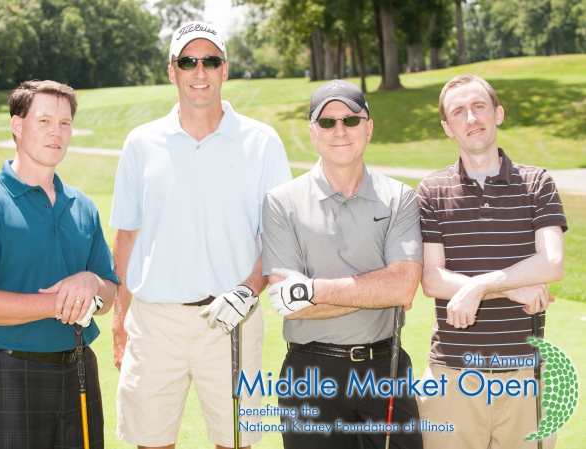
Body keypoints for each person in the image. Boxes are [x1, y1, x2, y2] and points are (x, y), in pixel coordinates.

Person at [110, 21, 291, 449]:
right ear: (172, 71)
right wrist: (120, 322)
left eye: (210, 60)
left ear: (224, 70)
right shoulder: (140, 143)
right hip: (155, 322)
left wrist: (247, 291)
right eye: (188, 61)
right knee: (150, 443)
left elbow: (278, 237)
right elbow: (127, 237)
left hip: (234, 319)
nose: (200, 71)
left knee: (236, 443)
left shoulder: (263, 142)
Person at [0, 80, 119, 449]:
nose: (56, 132)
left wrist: (91, 281)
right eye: (43, 120)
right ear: (17, 125)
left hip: (79, 369)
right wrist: (62, 304)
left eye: (64, 123)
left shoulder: (83, 206)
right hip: (8, 374)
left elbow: (109, 297)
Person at [262, 79, 424, 449]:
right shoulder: (281, 202)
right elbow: (287, 303)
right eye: (327, 122)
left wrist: (312, 289)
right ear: (312, 133)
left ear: (368, 128)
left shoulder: (399, 197)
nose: (340, 130)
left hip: (387, 367)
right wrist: (375, 290)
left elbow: (402, 286)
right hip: (311, 372)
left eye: (351, 120)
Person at [416, 74, 567, 449]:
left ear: (497, 114)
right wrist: (515, 287)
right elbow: (432, 280)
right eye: (459, 112)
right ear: (447, 127)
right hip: (452, 373)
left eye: (479, 106)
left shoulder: (537, 183)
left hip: (523, 373)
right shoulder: (432, 190)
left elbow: (552, 263)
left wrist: (480, 287)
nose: (471, 118)